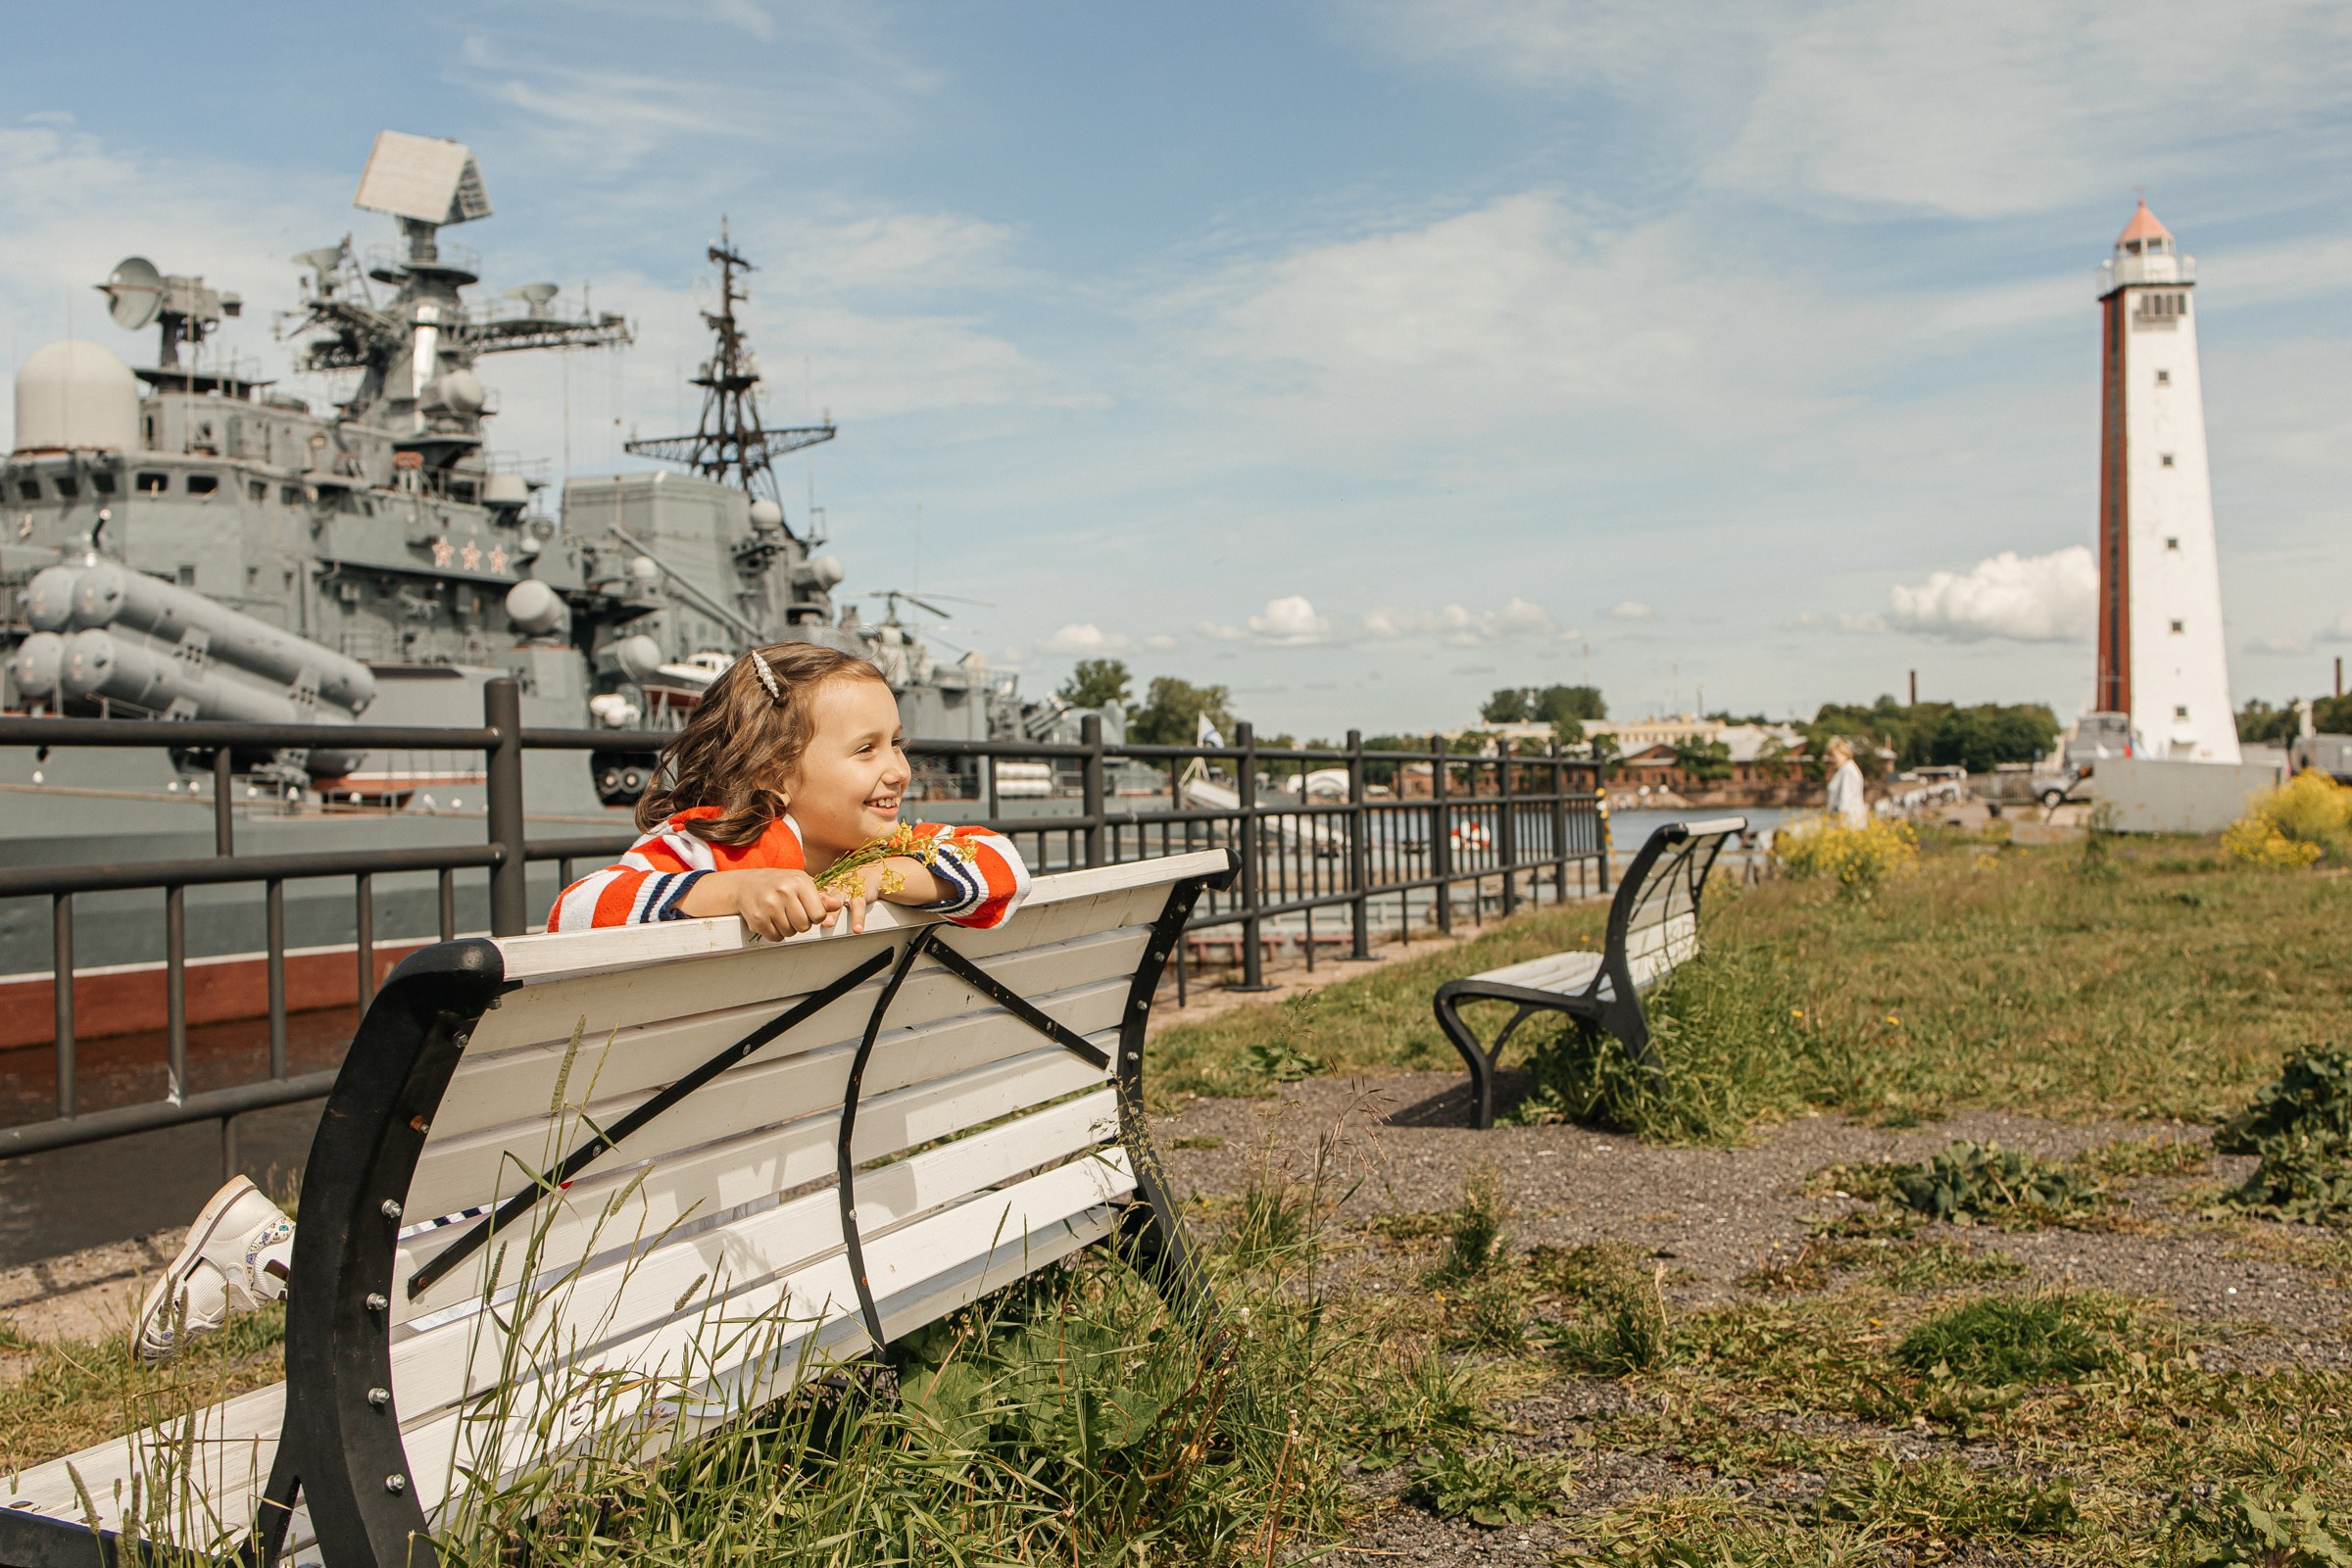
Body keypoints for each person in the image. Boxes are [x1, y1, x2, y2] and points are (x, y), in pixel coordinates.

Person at [132, 645, 1031, 1363]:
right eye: (867, 749)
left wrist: (898, 871)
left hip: (707, 1146)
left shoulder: (876, 852)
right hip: (629, 1144)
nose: (898, 769)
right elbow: (583, 908)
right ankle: (270, 1258)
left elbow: (1002, 865)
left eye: (898, 742)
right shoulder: (705, 852)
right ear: (773, 774)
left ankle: (271, 1257)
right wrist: (723, 898)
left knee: (473, 1268)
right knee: (453, 1274)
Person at [1823, 735, 1868, 828]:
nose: (1833, 759)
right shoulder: (1843, 770)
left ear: (1843, 753)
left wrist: (1839, 825)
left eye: (1834, 755)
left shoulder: (1847, 770)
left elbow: (1845, 800)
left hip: (1849, 824)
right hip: (1845, 822)